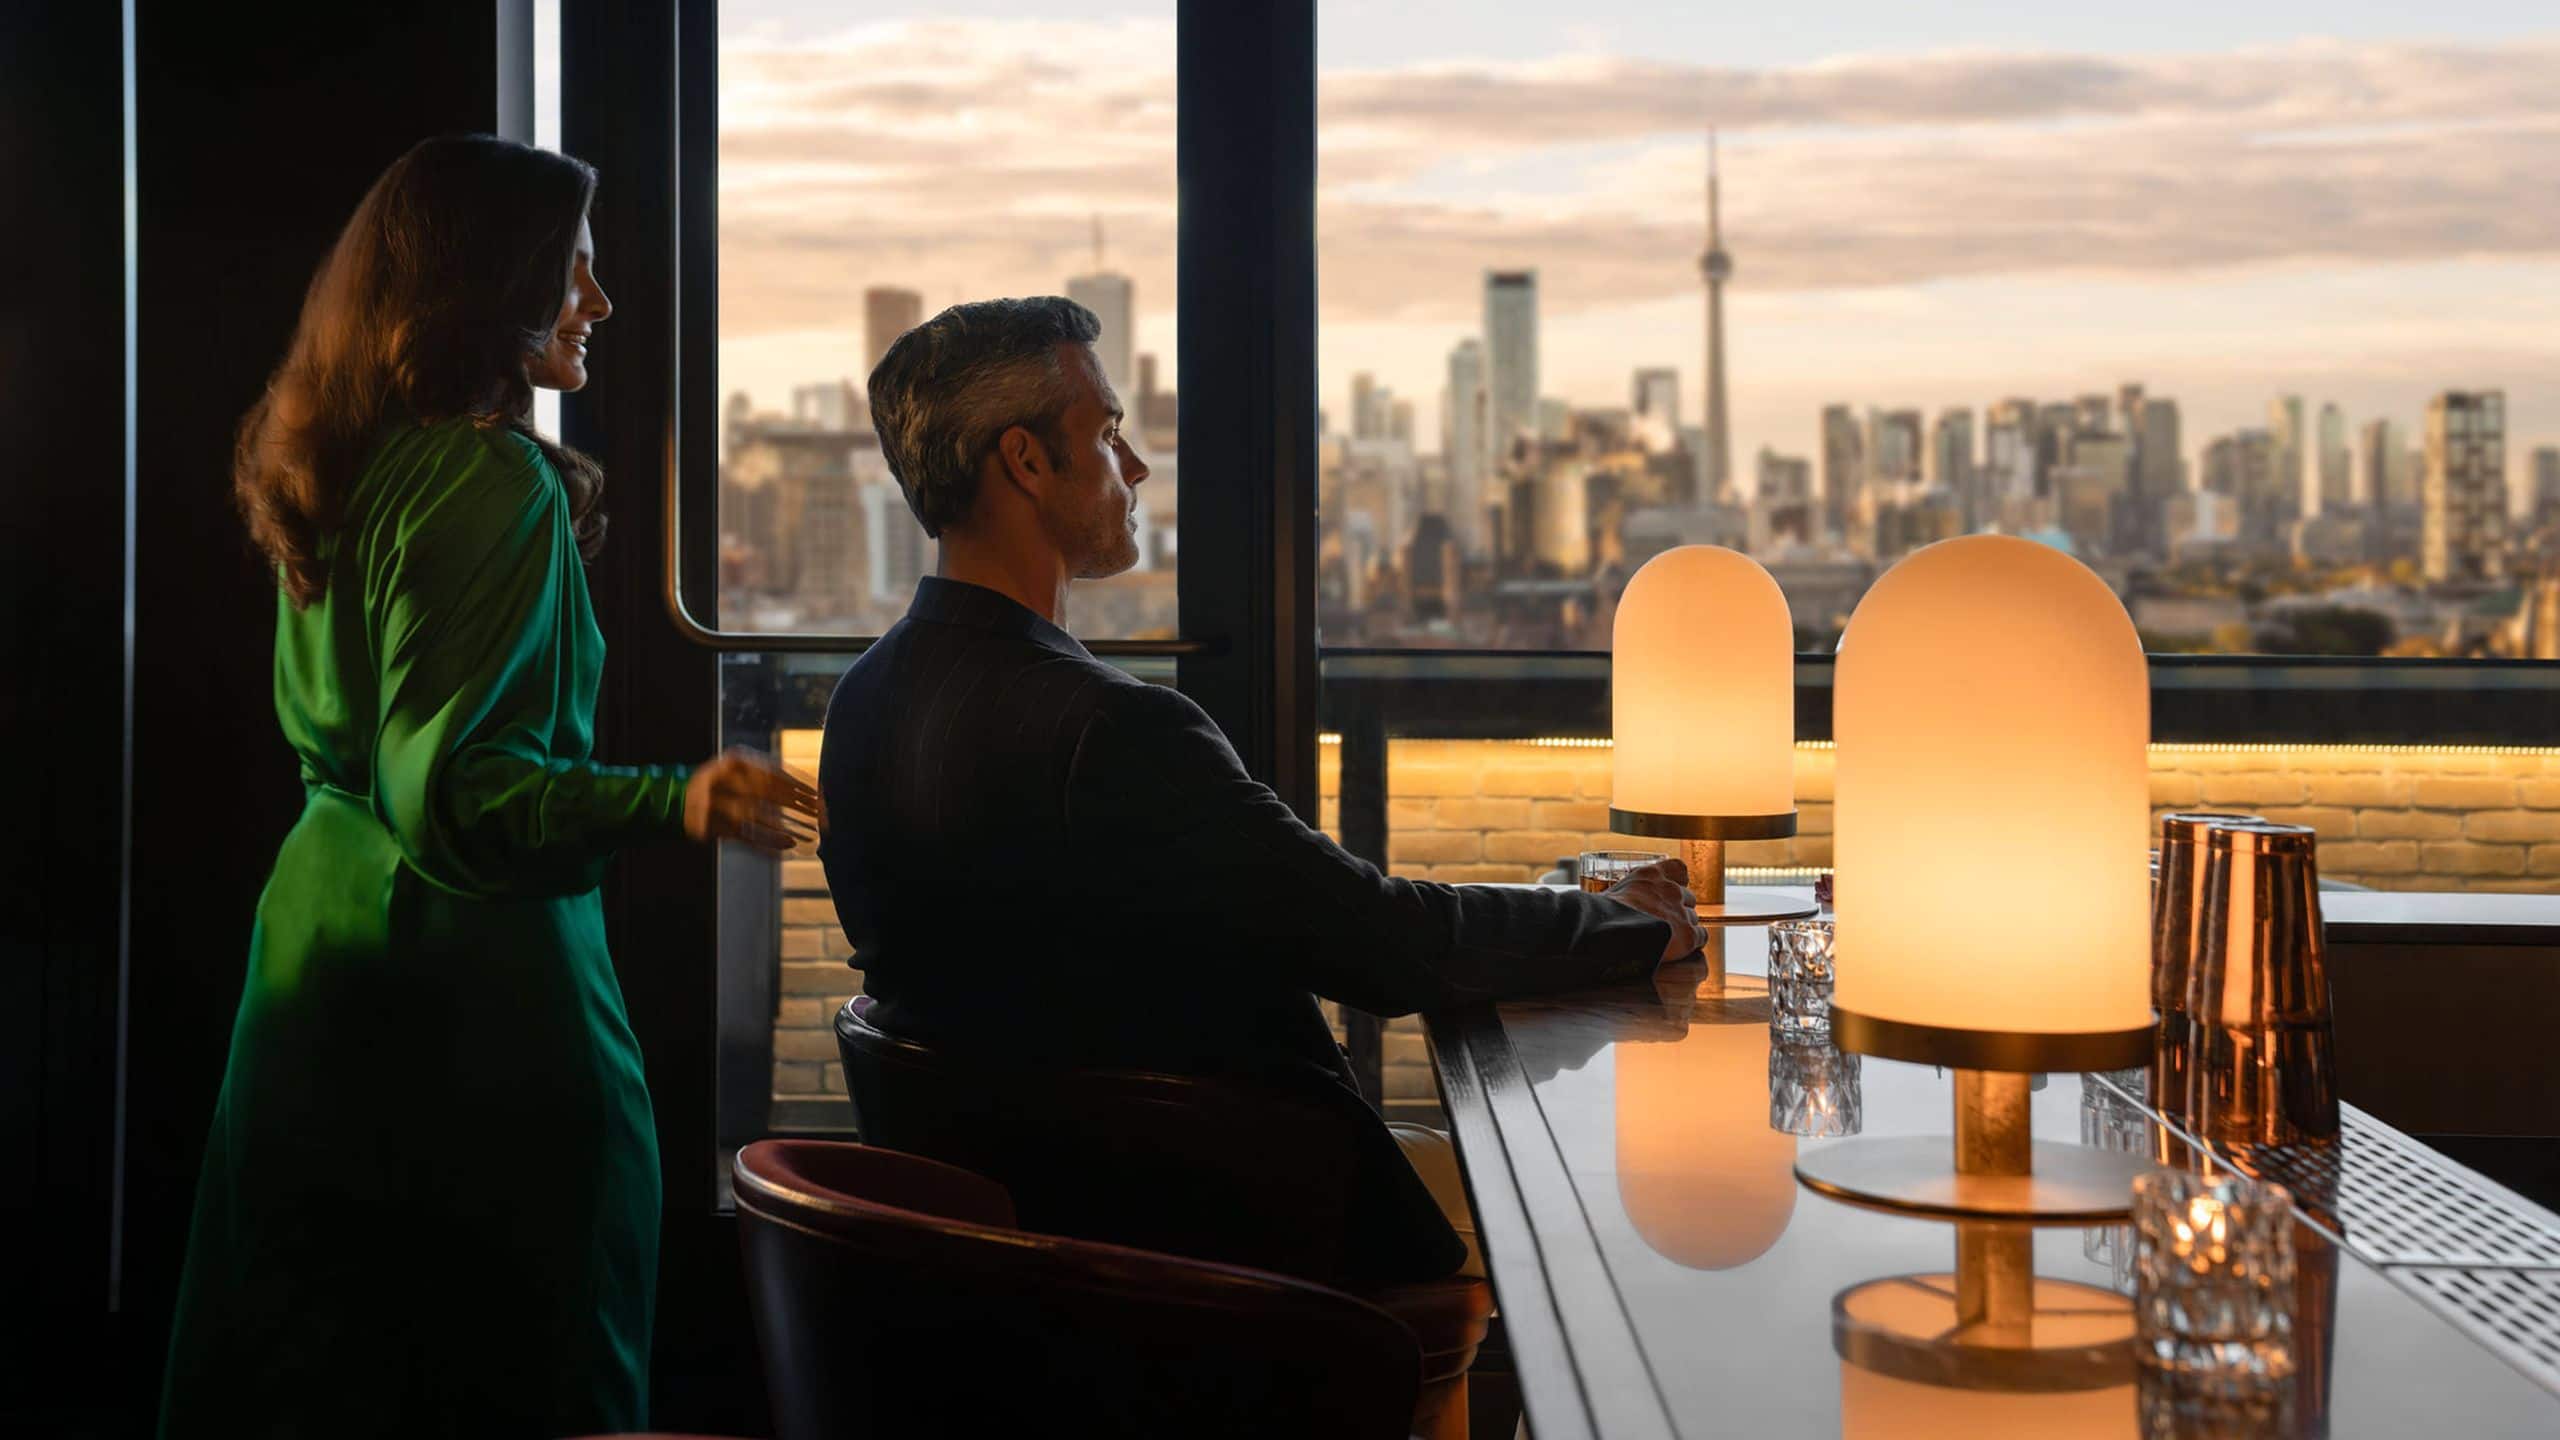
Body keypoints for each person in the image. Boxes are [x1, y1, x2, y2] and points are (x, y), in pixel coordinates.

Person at [819, 296, 1702, 1284]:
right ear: (1025, 462)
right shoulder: (1114, 731)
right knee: (1582, 1204)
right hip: (1230, 1247)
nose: (1137, 468)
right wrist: (1617, 923)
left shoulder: (864, 704)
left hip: (1026, 1245)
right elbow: (1380, 944)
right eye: (1108, 434)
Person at [160, 135, 822, 1438]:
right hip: (471, 1006)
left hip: (316, 964)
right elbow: (461, 789)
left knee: (310, 1364)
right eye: (575, 266)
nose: (601, 299)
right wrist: (671, 800)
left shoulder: (344, 465)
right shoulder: (487, 474)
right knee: (518, 1362)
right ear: (493, 279)